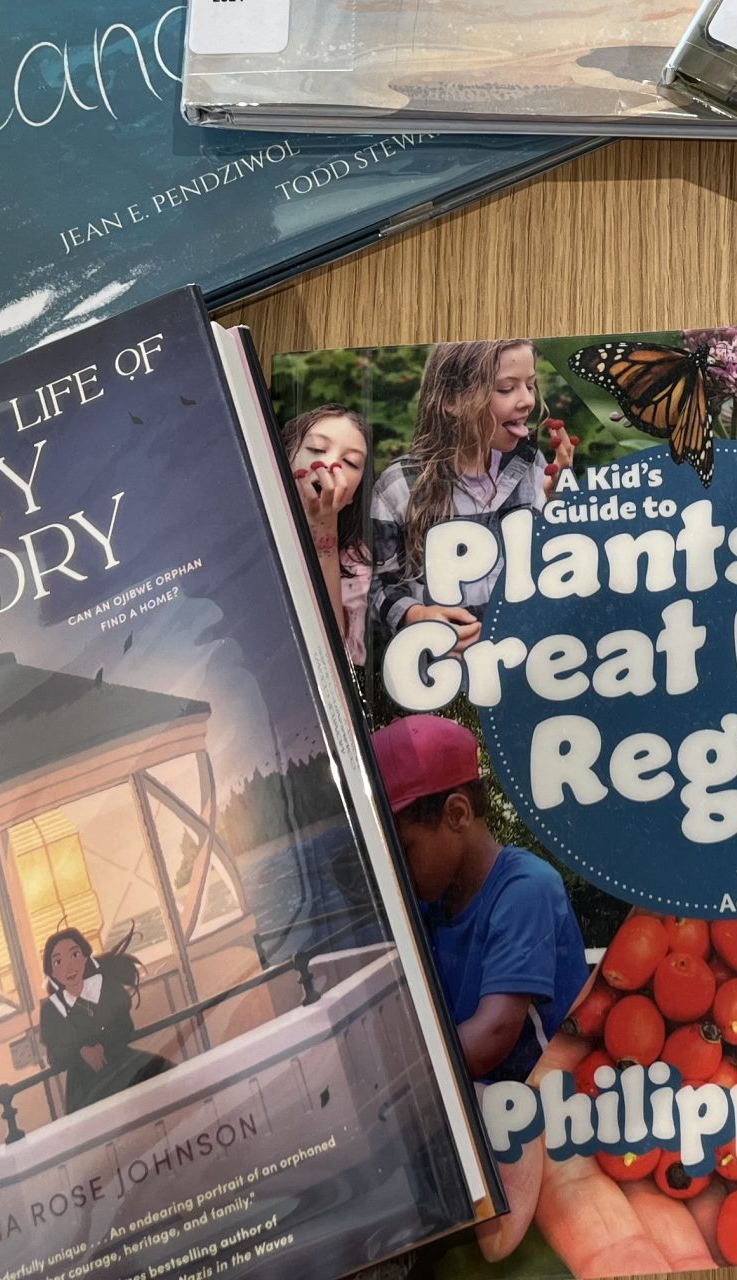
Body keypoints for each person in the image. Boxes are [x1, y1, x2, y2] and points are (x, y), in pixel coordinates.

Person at [375, 715, 587, 1085]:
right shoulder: (431, 901)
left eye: (404, 851)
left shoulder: (526, 889)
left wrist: (398, 1084)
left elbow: (494, 1032)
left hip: (544, 1102)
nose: (396, 872)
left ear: (457, 814)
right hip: (480, 1100)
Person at [368, 341, 572, 665]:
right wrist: (416, 615)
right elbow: (375, 583)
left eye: (530, 385)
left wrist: (558, 500)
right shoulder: (400, 486)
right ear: (451, 400)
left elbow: (551, 566)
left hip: (525, 664)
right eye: (506, 389)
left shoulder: (532, 466)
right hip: (444, 674)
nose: (528, 400)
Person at [36, 929, 172, 1116]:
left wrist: (102, 1046)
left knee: (168, 1082)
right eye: (58, 962)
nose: (68, 966)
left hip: (121, 1063)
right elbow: (54, 1054)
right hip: (83, 1085)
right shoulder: (51, 1010)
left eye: (75, 955)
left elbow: (124, 1026)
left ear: (85, 957)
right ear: (52, 972)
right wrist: (82, 1052)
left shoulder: (106, 987)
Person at [282, 406, 373, 661]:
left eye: (350, 462)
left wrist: (324, 532)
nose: (331, 464)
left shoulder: (355, 562)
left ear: (354, 495)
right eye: (317, 449)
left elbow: (333, 656)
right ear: (285, 457)